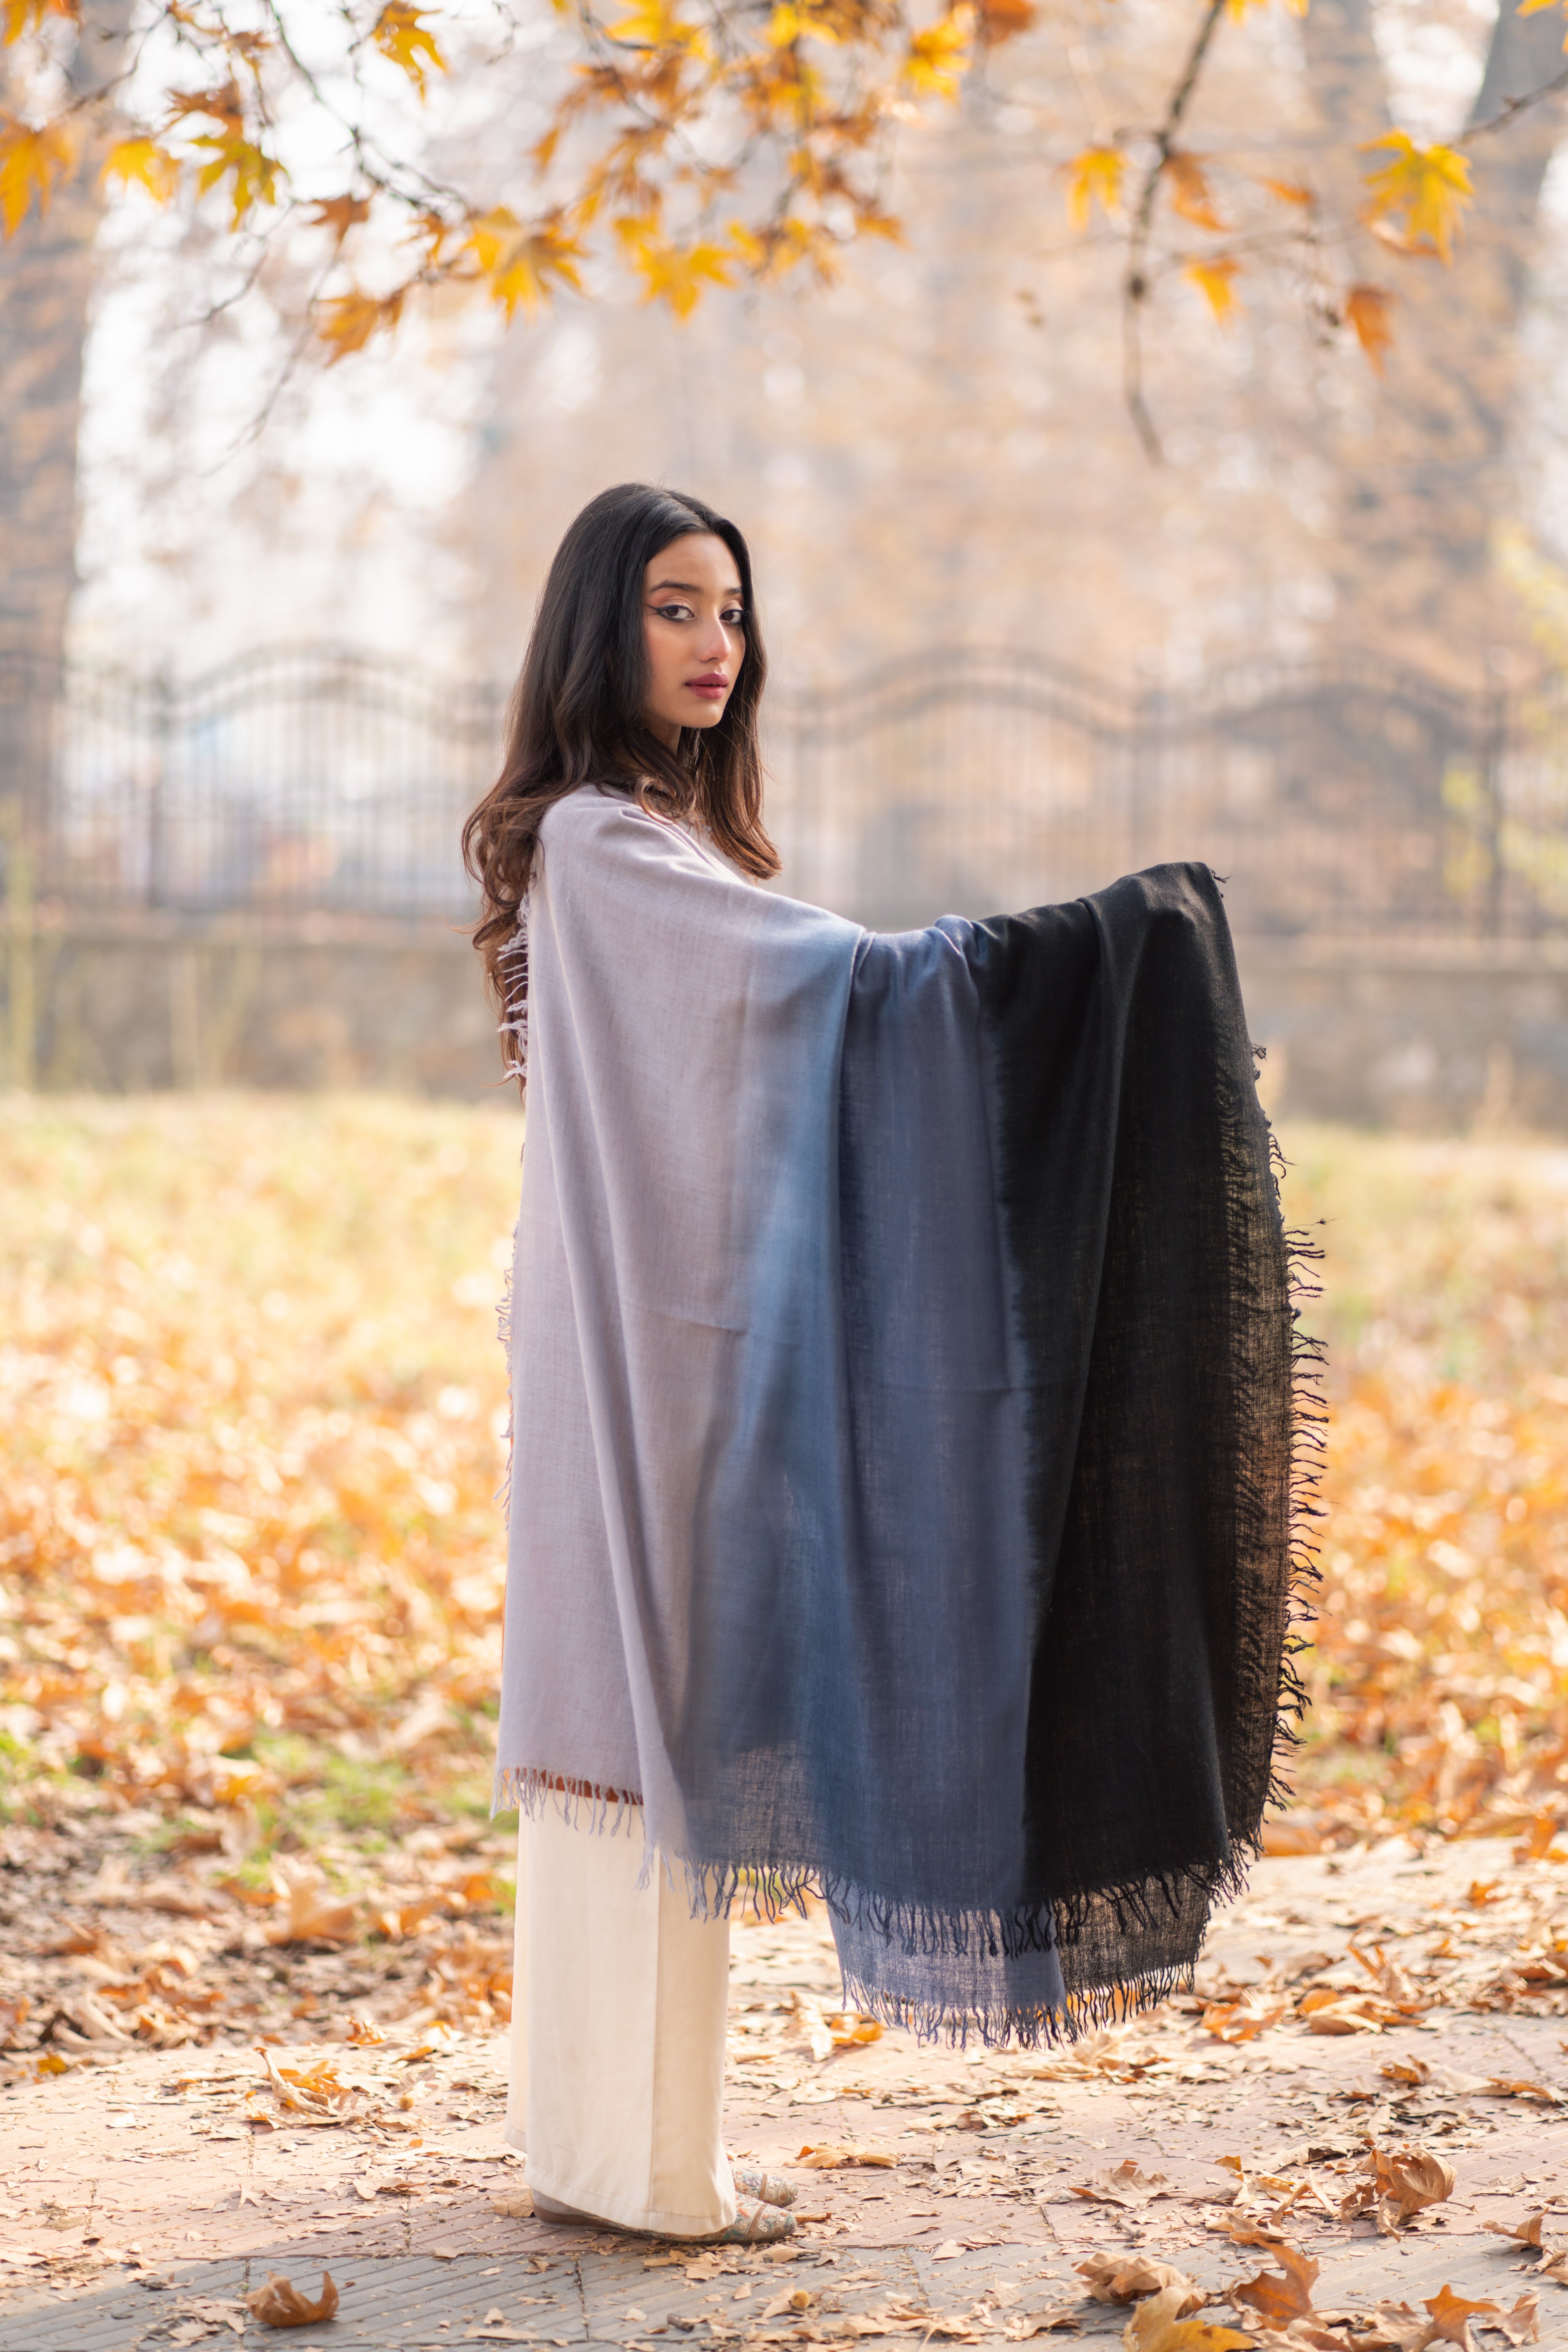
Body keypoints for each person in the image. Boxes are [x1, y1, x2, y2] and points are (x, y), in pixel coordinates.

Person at [462, 484, 1304, 2247]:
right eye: (678, 609)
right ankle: (636, 2166)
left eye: (733, 615)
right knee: (643, 1722)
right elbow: (845, 994)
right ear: (599, 630)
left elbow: (795, 1028)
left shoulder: (642, 842)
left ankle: (611, 2150)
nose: (715, 646)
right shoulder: (607, 847)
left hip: (672, 1344)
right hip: (653, 1363)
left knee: (644, 1731)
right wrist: (1107, 957)